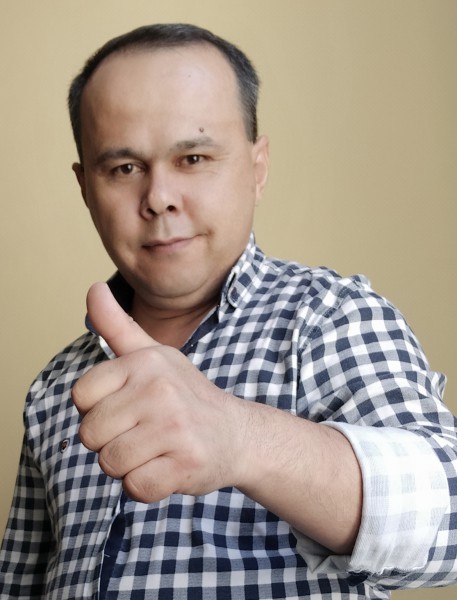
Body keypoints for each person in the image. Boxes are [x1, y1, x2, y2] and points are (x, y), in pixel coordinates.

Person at [0, 23, 456, 600]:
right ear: (86, 187)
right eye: (124, 168)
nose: (159, 198)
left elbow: (449, 517)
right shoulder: (54, 387)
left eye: (193, 157)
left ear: (257, 167)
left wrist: (238, 436)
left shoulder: (329, 318)